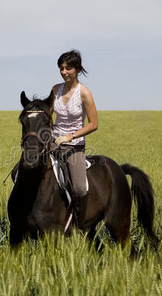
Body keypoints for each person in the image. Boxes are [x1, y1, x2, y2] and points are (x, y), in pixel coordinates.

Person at [51, 50, 98, 228]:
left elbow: (93, 124)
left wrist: (69, 137)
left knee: (79, 187)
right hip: (54, 142)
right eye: (61, 68)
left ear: (77, 69)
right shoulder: (55, 90)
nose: (64, 72)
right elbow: (48, 118)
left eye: (68, 68)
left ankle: (80, 225)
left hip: (74, 146)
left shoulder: (84, 93)